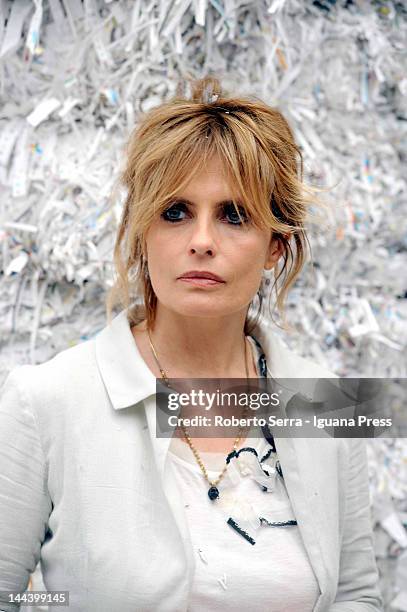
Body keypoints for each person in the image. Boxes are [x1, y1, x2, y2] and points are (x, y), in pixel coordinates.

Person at [0, 76, 383, 612]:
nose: (202, 241)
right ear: (142, 231)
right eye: (175, 212)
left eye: (234, 215)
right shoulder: (45, 399)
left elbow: (357, 595)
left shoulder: (328, 403)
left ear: (276, 245)